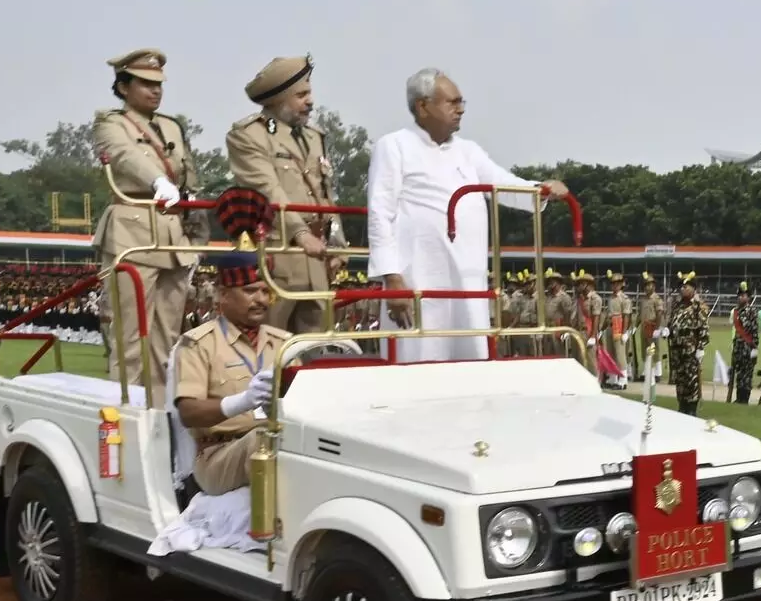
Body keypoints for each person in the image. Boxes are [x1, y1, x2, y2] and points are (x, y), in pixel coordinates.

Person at [363, 68, 567, 362]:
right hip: (417, 280)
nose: (460, 109)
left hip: (467, 283)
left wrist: (541, 190)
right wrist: (392, 280)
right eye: (452, 102)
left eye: (462, 103)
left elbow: (502, 183)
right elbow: (380, 215)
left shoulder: (468, 151)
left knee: (469, 369)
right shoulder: (394, 146)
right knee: (416, 369)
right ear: (422, 106)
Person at [94, 48, 199, 394]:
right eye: (145, 84)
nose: (155, 91)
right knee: (130, 341)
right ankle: (124, 420)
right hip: (133, 234)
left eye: (159, 85)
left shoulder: (172, 126)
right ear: (124, 88)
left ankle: (157, 422)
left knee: (167, 345)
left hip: (172, 237)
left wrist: (196, 236)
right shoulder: (111, 122)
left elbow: (190, 179)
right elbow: (125, 156)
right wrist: (157, 181)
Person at [226, 55, 348, 333]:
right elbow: (268, 188)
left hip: (316, 260)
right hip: (276, 256)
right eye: (301, 95)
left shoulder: (314, 137)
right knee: (269, 346)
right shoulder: (249, 135)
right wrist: (300, 233)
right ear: (279, 99)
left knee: (314, 349)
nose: (310, 101)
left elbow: (326, 194)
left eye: (309, 93)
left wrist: (338, 241)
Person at [172, 250, 287, 497]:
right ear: (224, 295)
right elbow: (188, 413)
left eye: (265, 291)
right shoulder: (199, 343)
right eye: (249, 291)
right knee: (263, 440)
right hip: (218, 454)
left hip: (276, 441)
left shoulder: (284, 344)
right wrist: (242, 402)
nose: (260, 299)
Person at [668, 272, 710, 415]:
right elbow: (671, 324)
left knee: (691, 381)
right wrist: (667, 331)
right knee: (680, 382)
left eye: (686, 286)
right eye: (681, 287)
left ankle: (691, 410)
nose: (683, 289)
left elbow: (703, 328)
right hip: (677, 351)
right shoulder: (676, 306)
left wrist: (701, 348)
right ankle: (682, 407)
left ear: (693, 288)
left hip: (691, 350)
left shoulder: (699, 306)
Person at [729, 280, 759, 404]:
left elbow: (754, 330)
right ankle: (739, 397)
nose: (741, 297)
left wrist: (755, 348)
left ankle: (744, 398)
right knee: (739, 373)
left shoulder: (752, 311)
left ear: (749, 297)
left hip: (748, 346)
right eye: (740, 295)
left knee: (747, 375)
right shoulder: (735, 311)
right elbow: (735, 330)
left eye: (744, 295)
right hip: (738, 346)